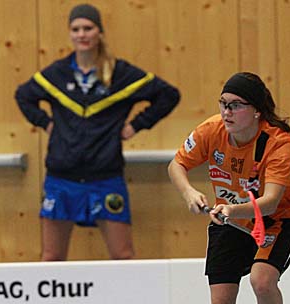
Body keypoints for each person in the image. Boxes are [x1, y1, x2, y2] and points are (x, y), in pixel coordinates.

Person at [168, 72, 290, 304]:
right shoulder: (211, 130)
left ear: (256, 110)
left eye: (235, 105)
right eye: (223, 104)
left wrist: (232, 209)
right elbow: (176, 165)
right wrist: (189, 193)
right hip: (230, 220)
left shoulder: (277, 142)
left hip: (277, 220)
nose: (226, 112)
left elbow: (270, 202)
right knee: (220, 302)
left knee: (262, 281)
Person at [15, 4, 180, 261]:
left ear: (99, 32)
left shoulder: (121, 74)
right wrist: (46, 123)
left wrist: (135, 126)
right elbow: (23, 95)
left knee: (123, 256)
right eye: (75, 29)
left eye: (88, 28)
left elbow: (168, 95)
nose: (82, 34)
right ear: (70, 34)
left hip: (105, 177)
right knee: (51, 258)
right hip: (61, 178)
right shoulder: (57, 73)